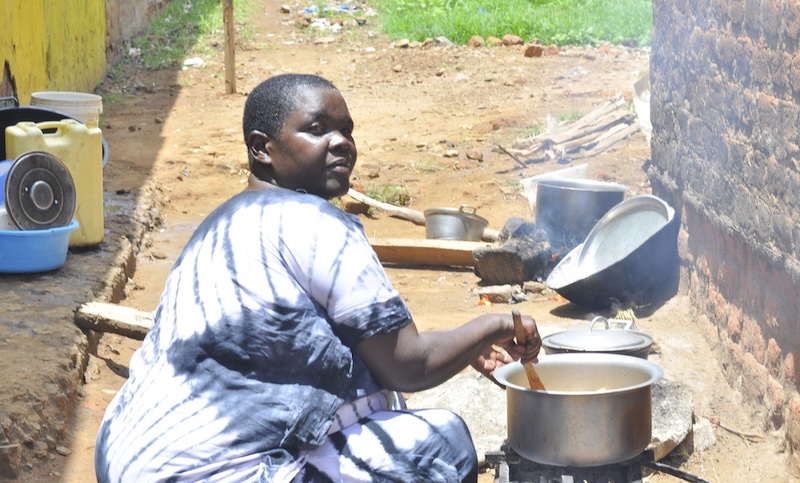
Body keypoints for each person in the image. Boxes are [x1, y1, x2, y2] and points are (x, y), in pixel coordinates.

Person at [95, 73, 542, 483]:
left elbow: (326, 345)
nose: (342, 142)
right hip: (214, 472)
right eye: (317, 129)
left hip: (129, 458)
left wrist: (464, 348)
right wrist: (498, 324)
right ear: (262, 147)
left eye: (347, 130)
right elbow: (409, 365)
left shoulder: (218, 225)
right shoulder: (316, 223)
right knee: (442, 445)